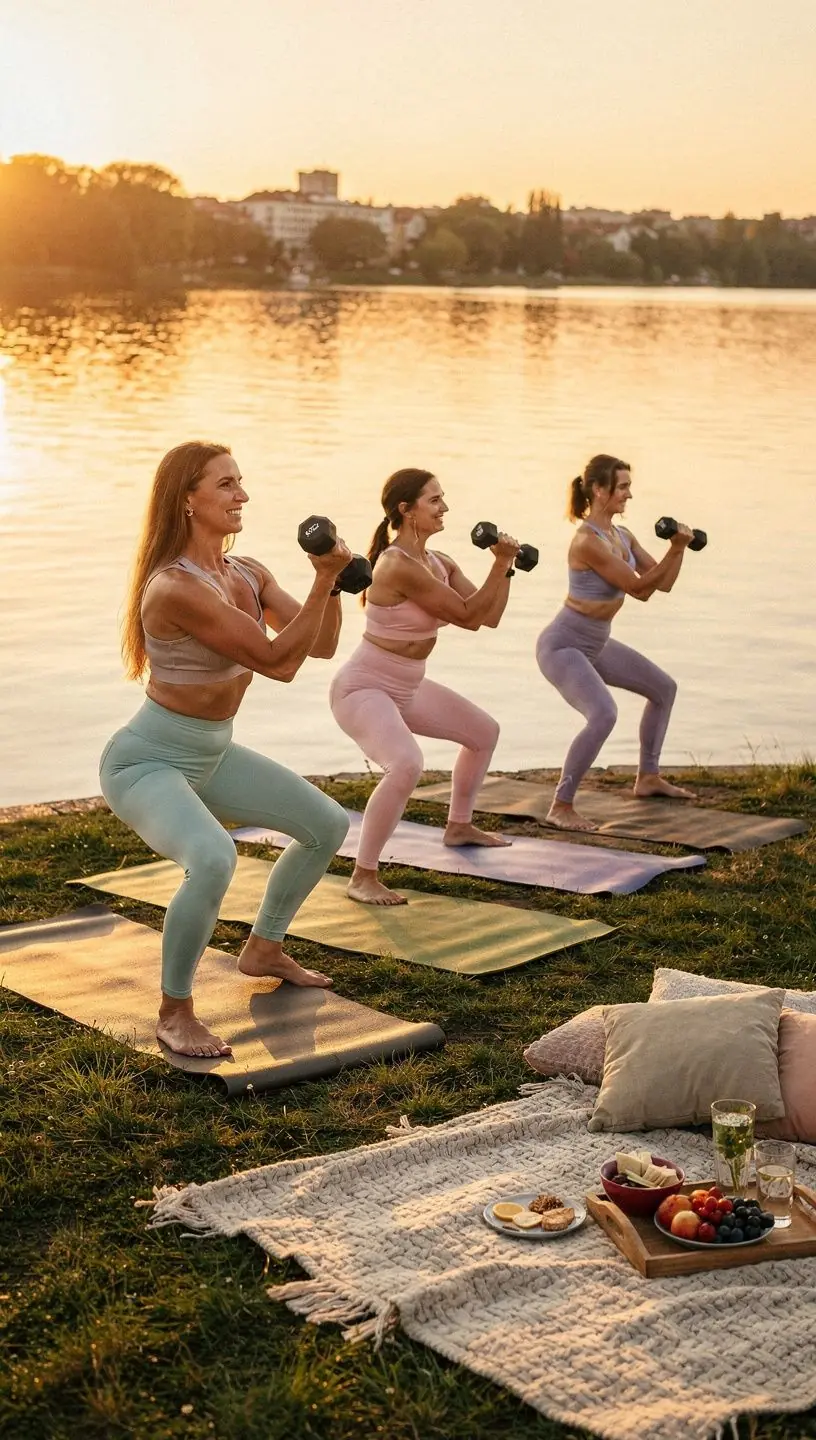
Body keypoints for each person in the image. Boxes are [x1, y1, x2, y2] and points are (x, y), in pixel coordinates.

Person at [100, 441, 351, 1059]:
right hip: (147, 760)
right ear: (188, 499)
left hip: (212, 752)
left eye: (241, 481)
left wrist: (339, 586)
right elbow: (275, 662)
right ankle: (174, 1010)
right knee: (212, 858)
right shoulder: (174, 588)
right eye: (225, 485)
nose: (242, 495)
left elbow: (317, 646)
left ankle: (264, 947)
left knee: (326, 824)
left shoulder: (247, 573)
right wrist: (323, 578)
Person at [329, 467, 520, 905]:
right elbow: (469, 615)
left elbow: (487, 617)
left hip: (407, 686)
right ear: (406, 510)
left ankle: (459, 825)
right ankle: (363, 875)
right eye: (434, 500)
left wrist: (505, 568)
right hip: (364, 687)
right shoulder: (396, 564)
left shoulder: (440, 562)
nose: (445, 508)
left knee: (483, 733)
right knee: (406, 763)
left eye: (443, 498)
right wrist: (499, 561)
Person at [535, 454, 695, 832]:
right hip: (563, 645)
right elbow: (639, 589)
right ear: (598, 489)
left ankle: (648, 778)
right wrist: (675, 548)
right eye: (622, 487)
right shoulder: (587, 542)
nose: (629, 495)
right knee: (603, 714)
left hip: (596, 642)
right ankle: (561, 805)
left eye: (628, 486)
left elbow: (662, 582)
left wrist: (680, 548)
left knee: (663, 688)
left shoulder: (622, 537)